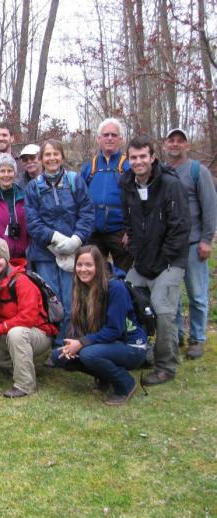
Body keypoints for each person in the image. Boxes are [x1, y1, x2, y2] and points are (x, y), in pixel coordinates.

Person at [120, 135, 190, 386]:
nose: (138, 162)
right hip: (142, 260)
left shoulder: (171, 185)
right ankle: (141, 350)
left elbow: (180, 228)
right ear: (128, 160)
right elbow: (129, 220)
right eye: (133, 157)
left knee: (162, 309)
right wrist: (138, 252)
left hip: (169, 261)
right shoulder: (127, 183)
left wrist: (161, 261)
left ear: (152, 157)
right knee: (124, 297)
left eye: (142, 157)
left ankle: (166, 366)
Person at [50, 246, 148, 405]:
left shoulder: (116, 288)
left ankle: (125, 384)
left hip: (131, 346)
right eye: (79, 265)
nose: (83, 269)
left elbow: (115, 330)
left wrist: (81, 343)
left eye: (89, 265)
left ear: (99, 265)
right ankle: (105, 375)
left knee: (89, 354)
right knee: (59, 355)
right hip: (106, 342)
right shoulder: (81, 286)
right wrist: (73, 343)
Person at [25, 139, 94, 344]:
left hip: (74, 252)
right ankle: (54, 342)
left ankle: (73, 340)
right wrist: (54, 238)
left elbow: (87, 213)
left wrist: (76, 239)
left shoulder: (75, 181)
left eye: (56, 154)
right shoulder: (33, 187)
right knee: (51, 298)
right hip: (45, 253)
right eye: (47, 155)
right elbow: (32, 221)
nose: (52, 158)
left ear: (62, 157)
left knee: (72, 297)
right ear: (41, 159)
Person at [0, 239, 56, 398]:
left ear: (7, 259)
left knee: (16, 333)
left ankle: (25, 385)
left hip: (38, 333)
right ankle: (21, 365)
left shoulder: (21, 280)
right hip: (11, 331)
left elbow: (28, 318)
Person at [162, 127, 216, 359]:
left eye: (179, 141)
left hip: (194, 244)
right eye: (171, 140)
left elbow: (210, 207)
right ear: (165, 145)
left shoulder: (197, 171)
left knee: (196, 294)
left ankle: (197, 338)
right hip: (170, 246)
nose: (175, 144)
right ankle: (177, 335)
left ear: (187, 145)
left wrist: (207, 239)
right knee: (172, 296)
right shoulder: (161, 172)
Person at [80, 118, 133, 271]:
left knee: (124, 276)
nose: (110, 138)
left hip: (120, 232)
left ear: (121, 139)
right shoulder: (90, 167)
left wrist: (131, 231)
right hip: (94, 233)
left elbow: (138, 202)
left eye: (114, 135)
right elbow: (79, 200)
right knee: (94, 275)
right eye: (106, 135)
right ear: (99, 139)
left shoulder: (128, 166)